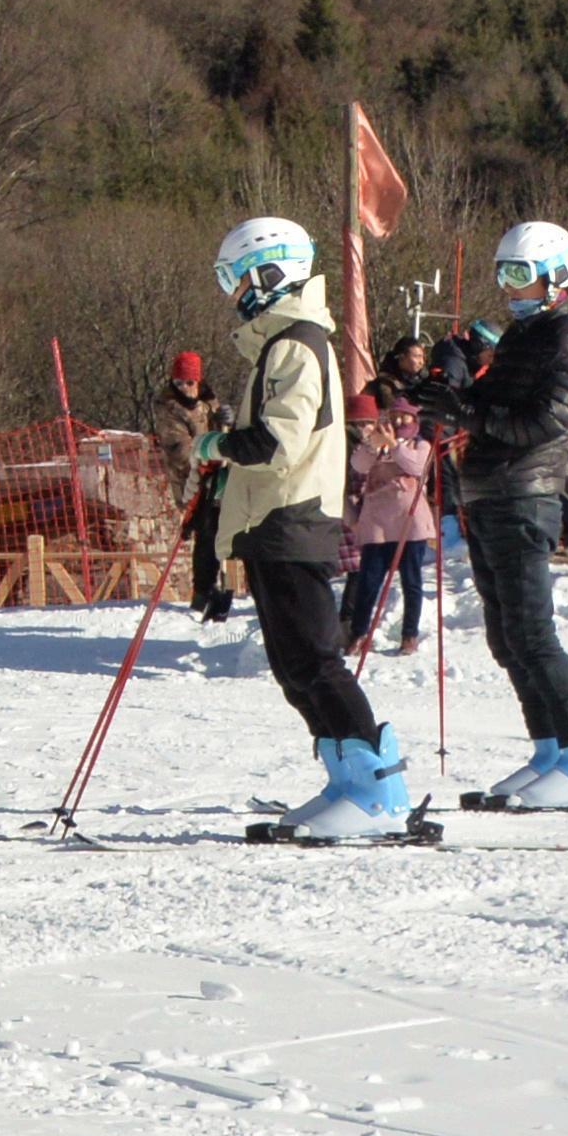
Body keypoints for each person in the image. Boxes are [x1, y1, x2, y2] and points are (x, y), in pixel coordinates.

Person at [208, 217, 415, 841]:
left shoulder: (296, 343)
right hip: (277, 519)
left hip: (293, 516)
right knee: (293, 663)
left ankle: (378, 787)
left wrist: (217, 444)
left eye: (240, 277)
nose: (236, 291)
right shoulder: (280, 341)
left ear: (272, 273)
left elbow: (279, 438)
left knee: (316, 660)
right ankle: (346, 777)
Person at [446, 220, 568, 809]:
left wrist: (472, 414)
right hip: (491, 492)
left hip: (527, 493)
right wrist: (451, 394)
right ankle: (551, 748)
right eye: (504, 276)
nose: (511, 289)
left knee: (532, 631)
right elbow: (494, 404)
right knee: (505, 636)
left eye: (521, 275)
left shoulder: (567, 338)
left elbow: (543, 424)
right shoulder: (525, 336)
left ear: (556, 276)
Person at [342, 384, 436, 658]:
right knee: (368, 582)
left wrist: (395, 446)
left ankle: (410, 634)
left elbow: (417, 468)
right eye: (394, 416)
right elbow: (358, 465)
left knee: (412, 581)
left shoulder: (420, 445)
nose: (398, 421)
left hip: (410, 523)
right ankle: (359, 633)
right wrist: (373, 444)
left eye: (405, 417)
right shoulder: (377, 447)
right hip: (378, 525)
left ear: (414, 420)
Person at [146, 348, 233, 619]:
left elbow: (223, 433)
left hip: (216, 472)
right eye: (179, 382)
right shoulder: (169, 409)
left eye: (189, 382)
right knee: (206, 528)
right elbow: (178, 450)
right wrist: (205, 460)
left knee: (224, 527)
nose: (184, 388)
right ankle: (203, 591)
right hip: (191, 480)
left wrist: (227, 423)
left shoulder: (208, 402)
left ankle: (221, 584)